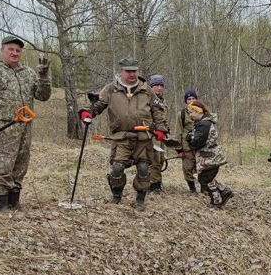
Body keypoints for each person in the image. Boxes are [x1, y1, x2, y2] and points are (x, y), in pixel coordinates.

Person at [0, 35, 52, 213]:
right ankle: (1, 207)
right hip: (3, 125)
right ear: (2, 50)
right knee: (3, 165)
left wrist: (43, 76)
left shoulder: (29, 73)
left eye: (18, 50)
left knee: (21, 163)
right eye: (11, 49)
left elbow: (43, 96)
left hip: (25, 124)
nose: (14, 53)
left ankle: (14, 202)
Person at [80, 58, 168, 211]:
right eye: (128, 71)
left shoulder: (146, 90)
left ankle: (140, 199)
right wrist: (87, 113)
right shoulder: (110, 89)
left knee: (143, 168)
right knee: (117, 167)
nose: (132, 74)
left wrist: (161, 129)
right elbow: (99, 104)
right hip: (121, 136)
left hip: (143, 137)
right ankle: (116, 196)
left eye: (134, 71)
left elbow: (157, 111)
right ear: (121, 72)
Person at [186, 99, 233, 207]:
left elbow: (198, 141)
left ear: (198, 111)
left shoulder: (204, 124)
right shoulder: (201, 123)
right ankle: (223, 192)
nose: (190, 115)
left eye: (191, 112)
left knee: (205, 179)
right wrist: (191, 137)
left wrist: (190, 141)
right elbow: (193, 136)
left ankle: (217, 199)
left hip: (210, 157)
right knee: (206, 178)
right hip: (208, 157)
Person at [174, 89, 199, 192]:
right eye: (189, 99)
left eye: (193, 98)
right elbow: (178, 132)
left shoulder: (202, 112)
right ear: (186, 101)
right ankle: (192, 188)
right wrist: (179, 150)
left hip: (200, 145)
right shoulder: (182, 114)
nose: (191, 100)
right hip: (187, 146)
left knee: (202, 168)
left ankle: (205, 187)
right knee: (187, 168)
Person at [148, 74, 167, 193]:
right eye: (156, 85)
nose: (159, 88)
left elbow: (163, 118)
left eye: (161, 85)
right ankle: (153, 184)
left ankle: (158, 182)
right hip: (151, 134)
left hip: (162, 134)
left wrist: (166, 130)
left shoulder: (163, 101)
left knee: (160, 159)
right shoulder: (148, 100)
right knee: (153, 159)